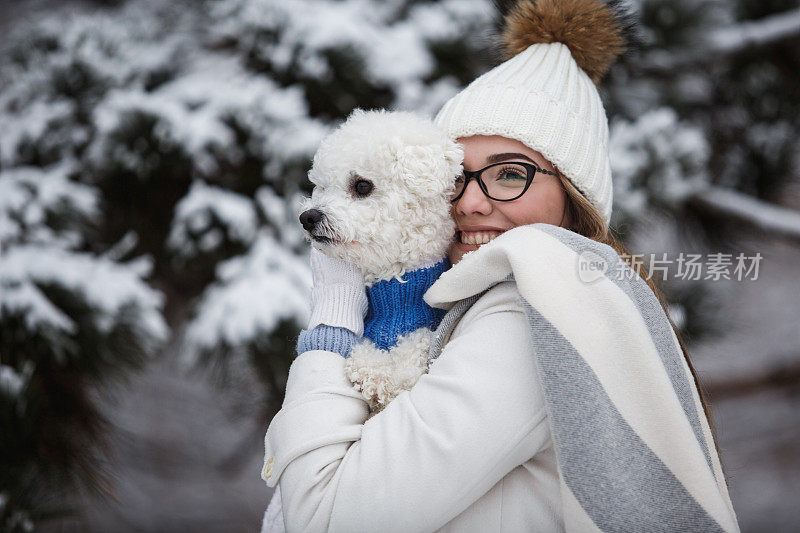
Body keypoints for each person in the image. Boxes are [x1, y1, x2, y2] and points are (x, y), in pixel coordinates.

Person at [261, 1, 740, 531]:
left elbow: (322, 519)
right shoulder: (484, 306)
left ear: (573, 198)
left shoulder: (532, 316)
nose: (470, 203)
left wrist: (332, 320)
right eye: (457, 179)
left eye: (509, 175)